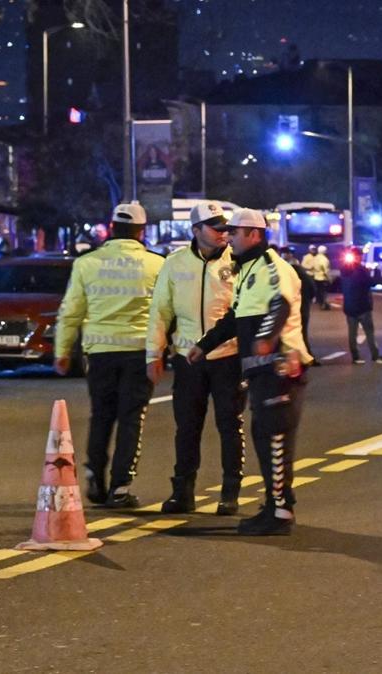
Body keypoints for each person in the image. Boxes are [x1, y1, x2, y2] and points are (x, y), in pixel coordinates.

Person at [189, 209, 313, 536]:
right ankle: (276, 504)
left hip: (279, 366)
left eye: (235, 232)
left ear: (254, 235)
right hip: (262, 369)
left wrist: (265, 339)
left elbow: (281, 304)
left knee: (274, 438)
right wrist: (205, 344)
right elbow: (234, 318)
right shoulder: (248, 270)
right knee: (265, 436)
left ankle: (280, 512)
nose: (228, 237)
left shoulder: (274, 267)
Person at [54, 202, 164, 508]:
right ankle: (120, 486)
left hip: (99, 354)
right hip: (138, 352)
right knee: (131, 419)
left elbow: (70, 311)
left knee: (101, 415)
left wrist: (62, 351)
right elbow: (165, 313)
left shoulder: (86, 264)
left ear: (111, 227)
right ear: (142, 231)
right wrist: (162, 352)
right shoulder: (157, 265)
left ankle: (93, 471)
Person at [146, 201, 246, 516]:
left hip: (229, 355)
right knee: (187, 427)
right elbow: (160, 311)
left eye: (226, 228)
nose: (223, 234)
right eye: (216, 228)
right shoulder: (174, 264)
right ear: (196, 230)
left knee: (230, 424)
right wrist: (154, 353)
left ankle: (230, 493)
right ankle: (182, 492)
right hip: (188, 359)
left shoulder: (239, 262)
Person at [339, 245, 382, 365]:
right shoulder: (361, 271)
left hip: (349, 306)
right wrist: (377, 271)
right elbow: (372, 283)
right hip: (363, 306)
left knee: (352, 333)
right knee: (369, 332)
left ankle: (356, 357)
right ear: (359, 257)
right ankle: (375, 356)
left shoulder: (344, 271)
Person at [280, 245, 318, 364]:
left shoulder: (283, 274)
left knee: (289, 335)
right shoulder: (302, 273)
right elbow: (312, 289)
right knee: (302, 333)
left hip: (289, 309)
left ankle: (299, 359)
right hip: (303, 307)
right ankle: (306, 357)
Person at [310, 245, 331, 309]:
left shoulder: (315, 258)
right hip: (322, 278)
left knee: (319, 292)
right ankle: (324, 304)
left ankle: (321, 303)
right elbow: (326, 270)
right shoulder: (324, 259)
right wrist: (329, 278)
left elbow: (312, 267)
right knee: (324, 292)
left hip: (316, 277)